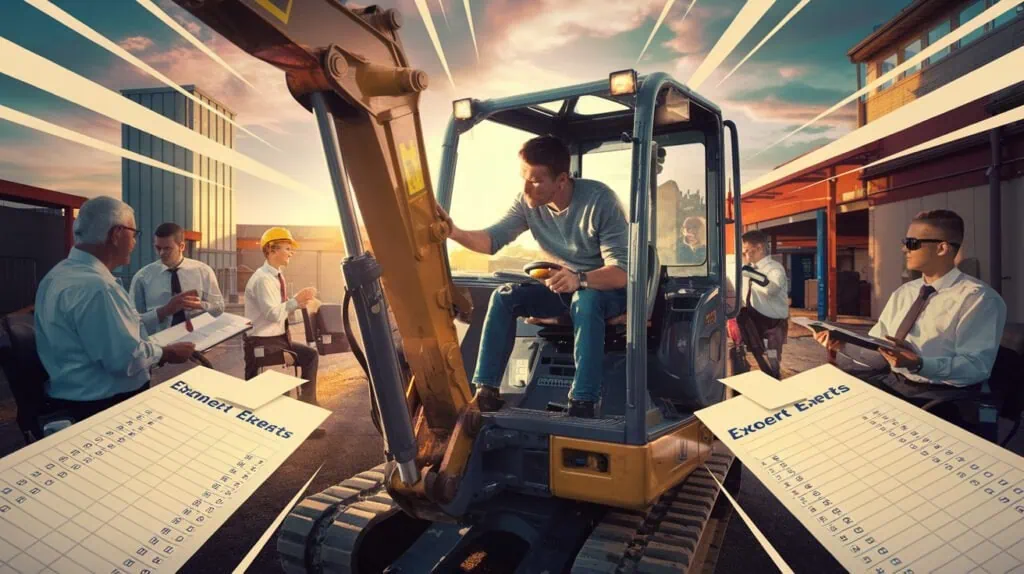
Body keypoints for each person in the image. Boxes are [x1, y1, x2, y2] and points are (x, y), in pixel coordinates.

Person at [436, 135, 629, 418]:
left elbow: (621, 273)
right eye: (523, 177)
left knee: (585, 300)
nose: (526, 188)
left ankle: (583, 401)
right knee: (504, 296)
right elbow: (491, 240)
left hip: (607, 291)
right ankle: (486, 392)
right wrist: (454, 232)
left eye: (536, 180)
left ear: (561, 180)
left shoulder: (600, 202)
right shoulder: (527, 202)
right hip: (564, 288)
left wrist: (580, 279)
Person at [815, 210, 1006, 404]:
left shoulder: (977, 299)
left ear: (942, 248)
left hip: (944, 395)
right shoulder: (905, 293)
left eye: (912, 243)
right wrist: (843, 345)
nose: (904, 250)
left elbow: (976, 368)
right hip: (895, 383)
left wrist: (920, 364)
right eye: (904, 242)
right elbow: (879, 351)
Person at [34, 196, 196, 422]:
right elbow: (125, 359)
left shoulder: (57, 275)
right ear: (117, 234)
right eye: (134, 234)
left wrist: (163, 311)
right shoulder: (98, 287)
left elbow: (116, 328)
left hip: (75, 400)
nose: (135, 243)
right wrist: (168, 353)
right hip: (105, 407)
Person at [243, 227, 325, 436]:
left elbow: (281, 309)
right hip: (262, 343)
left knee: (309, 356)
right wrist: (295, 300)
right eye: (287, 248)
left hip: (278, 339)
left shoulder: (275, 276)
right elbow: (272, 314)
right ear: (271, 249)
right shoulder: (262, 279)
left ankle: (307, 416)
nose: (291, 252)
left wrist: (300, 303)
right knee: (270, 391)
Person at [129, 222, 225, 333]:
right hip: (159, 344)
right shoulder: (142, 277)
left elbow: (219, 308)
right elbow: (133, 319)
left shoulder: (203, 272)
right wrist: (164, 311)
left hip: (197, 340)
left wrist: (201, 305)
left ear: (182, 246)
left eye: (167, 248)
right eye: (158, 248)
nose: (161, 253)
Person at [737, 230, 789, 376]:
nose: (746, 254)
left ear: (759, 247)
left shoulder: (774, 269)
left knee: (772, 360)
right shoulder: (750, 268)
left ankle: (774, 381)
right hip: (754, 319)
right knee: (753, 354)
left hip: (773, 323)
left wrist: (751, 274)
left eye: (747, 250)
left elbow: (772, 289)